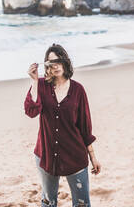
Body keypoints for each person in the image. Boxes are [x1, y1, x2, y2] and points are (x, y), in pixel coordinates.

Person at [24, 43, 101, 207]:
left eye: (59, 61)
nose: (56, 65)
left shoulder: (78, 90)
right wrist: (35, 82)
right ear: (47, 66)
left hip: (75, 156)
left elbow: (84, 127)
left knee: (82, 203)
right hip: (46, 155)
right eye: (51, 62)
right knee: (48, 202)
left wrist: (93, 157)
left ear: (66, 62)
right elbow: (31, 111)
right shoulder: (42, 86)